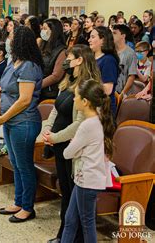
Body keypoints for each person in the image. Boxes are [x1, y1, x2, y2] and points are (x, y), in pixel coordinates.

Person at [39, 45, 101, 243]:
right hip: (58, 141)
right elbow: (56, 109)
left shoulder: (86, 86)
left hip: (71, 144)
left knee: (72, 192)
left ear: (80, 60)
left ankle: (72, 237)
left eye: (70, 57)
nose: (67, 60)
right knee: (65, 191)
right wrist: (47, 130)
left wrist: (55, 137)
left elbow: (79, 123)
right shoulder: (68, 80)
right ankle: (64, 234)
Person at [0, 26, 43, 222]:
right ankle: (18, 201)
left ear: (20, 41)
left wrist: (3, 118)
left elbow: (24, 99)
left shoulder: (29, 66)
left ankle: (28, 207)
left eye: (11, 36)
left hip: (24, 122)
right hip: (9, 120)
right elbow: (3, 90)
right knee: (15, 163)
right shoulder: (13, 62)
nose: (8, 39)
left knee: (24, 165)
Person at [61, 79, 114, 243]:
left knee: (87, 224)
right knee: (70, 220)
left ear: (85, 101)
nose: (73, 99)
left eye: (76, 96)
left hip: (88, 181)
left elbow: (67, 153)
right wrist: (78, 149)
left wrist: (75, 148)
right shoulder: (97, 120)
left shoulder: (87, 125)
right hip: (84, 179)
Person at [88, 26, 119, 117]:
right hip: (91, 104)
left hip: (103, 109)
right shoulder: (91, 58)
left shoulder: (108, 60)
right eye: (90, 37)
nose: (89, 40)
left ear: (103, 40)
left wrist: (86, 86)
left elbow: (107, 89)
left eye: (93, 37)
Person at [40, 19, 66, 101]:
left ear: (53, 31)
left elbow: (56, 76)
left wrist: (37, 85)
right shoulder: (43, 45)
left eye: (45, 29)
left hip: (50, 91)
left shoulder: (62, 51)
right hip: (40, 89)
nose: (42, 31)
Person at [112, 24, 137, 96]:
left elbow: (131, 76)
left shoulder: (130, 53)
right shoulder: (110, 51)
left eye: (115, 33)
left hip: (122, 94)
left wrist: (122, 93)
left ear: (123, 36)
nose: (111, 35)